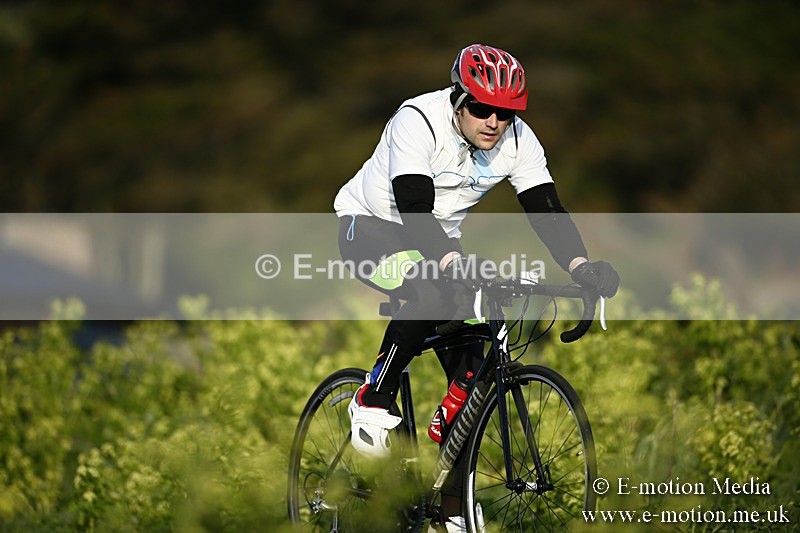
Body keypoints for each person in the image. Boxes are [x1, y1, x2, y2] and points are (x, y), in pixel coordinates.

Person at [334, 44, 619, 530]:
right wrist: (448, 262)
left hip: (438, 237)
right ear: (458, 98)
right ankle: (372, 398)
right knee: (430, 286)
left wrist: (580, 266)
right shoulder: (417, 120)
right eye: (482, 108)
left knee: (473, 374)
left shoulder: (517, 140)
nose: (494, 121)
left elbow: (546, 209)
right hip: (373, 228)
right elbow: (413, 208)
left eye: (506, 113)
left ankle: (452, 507)